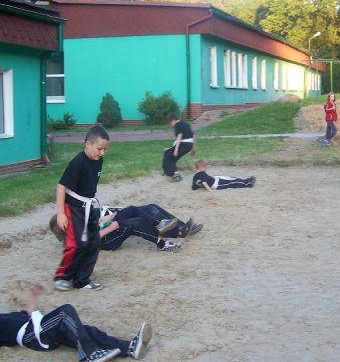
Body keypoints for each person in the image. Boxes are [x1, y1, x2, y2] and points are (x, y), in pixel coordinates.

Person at [0, 283, 152, 361]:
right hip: (32, 336)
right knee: (65, 312)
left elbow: (31, 312)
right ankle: (89, 355)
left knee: (85, 330)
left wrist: (34, 293)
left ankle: (130, 348)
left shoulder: (10, 316)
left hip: (41, 327)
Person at [54, 125, 110, 292]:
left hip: (88, 207)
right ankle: (62, 277)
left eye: (105, 149)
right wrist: (61, 214)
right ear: (87, 144)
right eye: (99, 148)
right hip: (73, 208)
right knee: (77, 244)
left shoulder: (98, 160)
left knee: (94, 242)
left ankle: (81, 280)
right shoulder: (78, 162)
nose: (102, 153)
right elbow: (61, 187)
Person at [49, 204, 203, 252]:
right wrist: (113, 225)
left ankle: (177, 228)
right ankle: (161, 244)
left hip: (106, 228)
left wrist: (110, 217)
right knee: (136, 222)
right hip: (107, 241)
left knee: (134, 209)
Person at [162, 113, 196, 182]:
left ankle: (175, 175)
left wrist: (176, 149)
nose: (170, 125)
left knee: (169, 157)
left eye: (170, 123)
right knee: (168, 153)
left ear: (173, 120)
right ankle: (166, 171)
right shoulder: (185, 123)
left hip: (183, 144)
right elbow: (193, 135)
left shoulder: (177, 124)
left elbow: (179, 136)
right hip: (189, 145)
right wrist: (193, 148)